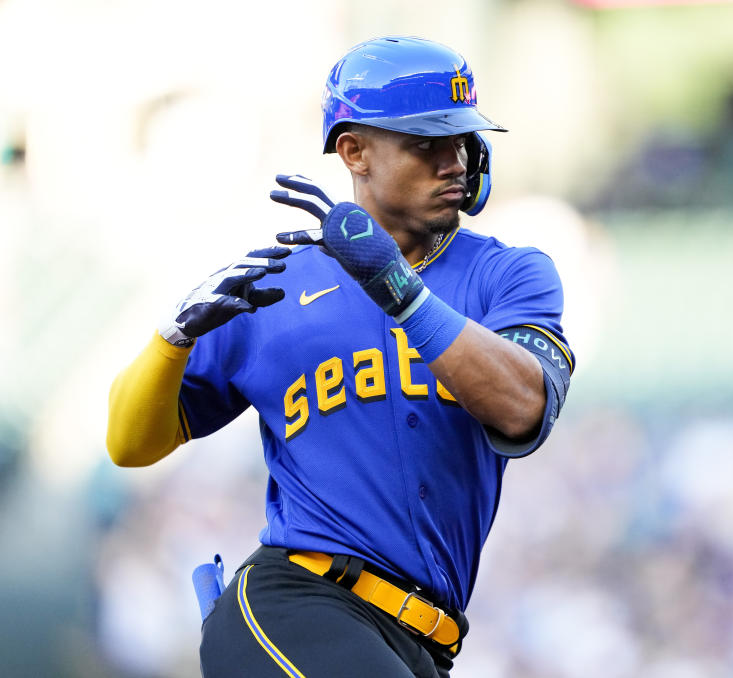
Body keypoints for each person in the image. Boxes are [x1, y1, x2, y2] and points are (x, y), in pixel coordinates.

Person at [106, 36, 573, 678]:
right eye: (425, 145)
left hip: (420, 642)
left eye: (463, 140)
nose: (455, 163)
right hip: (298, 603)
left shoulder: (511, 275)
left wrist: (393, 285)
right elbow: (130, 445)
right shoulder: (275, 285)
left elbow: (523, 408)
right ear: (354, 151)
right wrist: (170, 341)